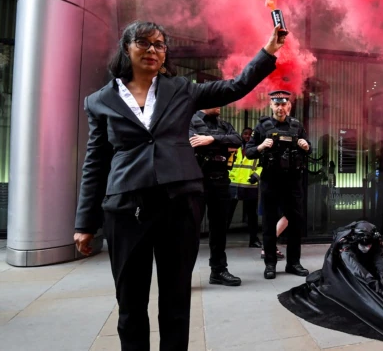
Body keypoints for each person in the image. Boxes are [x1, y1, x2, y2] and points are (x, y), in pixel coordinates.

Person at [73, 20, 285, 350]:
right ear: (126, 48)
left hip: (179, 204)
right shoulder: (99, 101)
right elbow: (95, 163)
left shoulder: (181, 89)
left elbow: (234, 87)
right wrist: (85, 223)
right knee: (130, 305)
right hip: (126, 209)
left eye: (159, 45)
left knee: (176, 302)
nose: (153, 50)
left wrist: (268, 51)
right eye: (143, 43)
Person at [246, 90, 311, 279]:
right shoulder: (262, 126)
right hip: (271, 181)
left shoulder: (297, 126)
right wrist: (260, 146)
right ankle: (270, 264)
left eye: (284, 104)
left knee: (296, 222)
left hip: (293, 181)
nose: (280, 108)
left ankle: (293, 263)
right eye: (277, 104)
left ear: (288, 106)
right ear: (271, 105)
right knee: (268, 223)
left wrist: (306, 146)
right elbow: (249, 152)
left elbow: (309, 148)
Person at [190, 107, 242, 286]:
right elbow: (192, 142)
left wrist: (211, 139)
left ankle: (218, 271)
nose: (221, 105)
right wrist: (220, 143)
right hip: (196, 182)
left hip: (220, 182)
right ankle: (182, 276)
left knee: (219, 229)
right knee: (189, 231)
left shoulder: (224, 125)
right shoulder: (190, 120)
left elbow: (237, 140)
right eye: (217, 101)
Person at [228, 126, 263, 248]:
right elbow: (229, 164)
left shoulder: (257, 150)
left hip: (249, 185)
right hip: (233, 184)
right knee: (227, 214)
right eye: (245, 134)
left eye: (250, 134)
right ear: (242, 135)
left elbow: (261, 165)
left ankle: (253, 240)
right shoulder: (235, 149)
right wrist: (228, 176)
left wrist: (256, 176)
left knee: (252, 216)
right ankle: (220, 239)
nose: (247, 136)